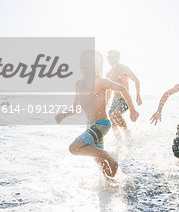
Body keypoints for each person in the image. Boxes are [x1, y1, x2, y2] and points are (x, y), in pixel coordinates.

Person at [55, 50, 139, 178]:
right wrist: (63, 115)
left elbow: (122, 89)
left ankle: (110, 154)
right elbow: (75, 108)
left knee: (74, 148)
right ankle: (111, 183)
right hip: (90, 126)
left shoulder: (101, 81)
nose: (85, 66)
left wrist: (132, 109)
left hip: (102, 125)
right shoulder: (79, 84)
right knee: (100, 163)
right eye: (83, 63)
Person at [106, 50, 142, 138]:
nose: (109, 59)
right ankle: (118, 140)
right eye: (108, 57)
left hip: (125, 99)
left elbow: (136, 80)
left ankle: (127, 133)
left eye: (111, 57)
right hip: (115, 100)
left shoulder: (124, 69)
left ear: (118, 57)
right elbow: (109, 91)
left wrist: (138, 96)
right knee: (112, 118)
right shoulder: (109, 73)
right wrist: (105, 101)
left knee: (115, 114)